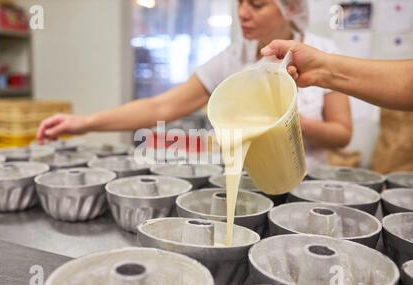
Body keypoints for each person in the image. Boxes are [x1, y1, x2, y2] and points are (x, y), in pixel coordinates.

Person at [37, 0, 352, 169]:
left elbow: (342, 135)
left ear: (290, 8)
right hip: (241, 180)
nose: (242, 12)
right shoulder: (233, 59)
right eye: (240, 1)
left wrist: (288, 122)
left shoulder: (321, 56)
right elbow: (163, 106)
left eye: (256, 4)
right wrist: (85, 123)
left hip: (303, 180)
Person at [261, 39, 413, 111]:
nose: (243, 14)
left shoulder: (321, 44)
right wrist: (318, 69)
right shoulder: (238, 54)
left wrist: (319, 70)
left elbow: (407, 83)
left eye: (257, 5)